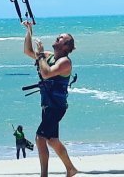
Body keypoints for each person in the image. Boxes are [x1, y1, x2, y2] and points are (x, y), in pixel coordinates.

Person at [23, 22, 78, 177]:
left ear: (66, 46)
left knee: (40, 138)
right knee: (52, 140)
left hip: (56, 107)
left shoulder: (65, 62)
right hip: (48, 105)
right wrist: (29, 31)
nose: (57, 38)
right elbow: (27, 51)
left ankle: (44, 175)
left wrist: (40, 55)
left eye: (60, 38)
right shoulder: (49, 56)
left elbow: (46, 73)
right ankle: (71, 169)